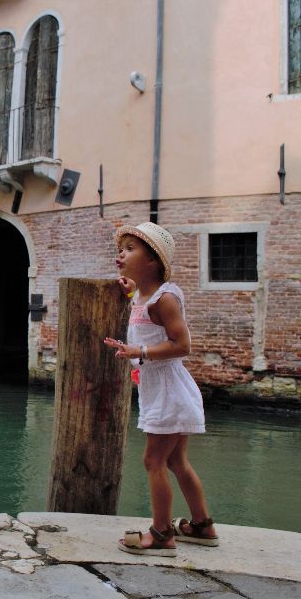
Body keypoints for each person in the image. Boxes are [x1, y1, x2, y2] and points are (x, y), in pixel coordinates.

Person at [104, 222, 218, 557]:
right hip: (163, 391)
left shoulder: (165, 298)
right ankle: (202, 525)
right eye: (120, 249)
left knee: (153, 461)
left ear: (153, 260)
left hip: (170, 392)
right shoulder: (143, 296)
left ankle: (162, 532)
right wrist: (128, 292)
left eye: (129, 249)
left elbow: (183, 345)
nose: (120, 254)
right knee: (177, 462)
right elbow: (143, 316)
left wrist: (138, 353)